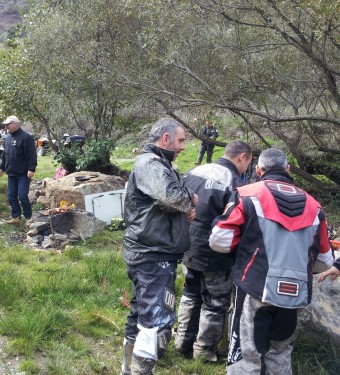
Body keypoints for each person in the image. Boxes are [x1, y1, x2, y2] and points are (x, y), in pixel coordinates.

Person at [209, 148, 333, 375]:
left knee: (246, 356)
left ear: (258, 169)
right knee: (280, 352)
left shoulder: (246, 194)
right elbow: (325, 262)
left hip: (254, 285)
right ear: (288, 169)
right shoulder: (314, 205)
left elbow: (219, 240)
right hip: (296, 292)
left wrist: (244, 246)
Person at [121, 118, 198, 375]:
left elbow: (161, 204)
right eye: (181, 140)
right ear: (165, 139)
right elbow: (172, 197)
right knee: (157, 321)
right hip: (152, 255)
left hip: (149, 252)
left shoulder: (157, 164)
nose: (183, 147)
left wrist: (181, 212)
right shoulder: (151, 164)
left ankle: (128, 369)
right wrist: (190, 199)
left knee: (141, 315)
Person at [175, 140, 253, 362]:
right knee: (216, 300)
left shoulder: (195, 170)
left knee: (190, 292)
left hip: (187, 242)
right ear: (242, 157)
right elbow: (236, 220)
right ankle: (204, 350)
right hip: (215, 249)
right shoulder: (235, 182)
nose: (247, 167)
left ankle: (182, 342)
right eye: (248, 162)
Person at [0, 115, 37, 224]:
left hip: (23, 173)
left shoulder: (26, 137)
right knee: (11, 195)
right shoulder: (7, 138)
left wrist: (31, 169)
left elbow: (32, 155)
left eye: (8, 124)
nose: (6, 127)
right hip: (11, 173)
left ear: (16, 124)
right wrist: (1, 167)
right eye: (5, 125)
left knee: (22, 195)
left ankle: (29, 217)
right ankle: (16, 217)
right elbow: (4, 155)